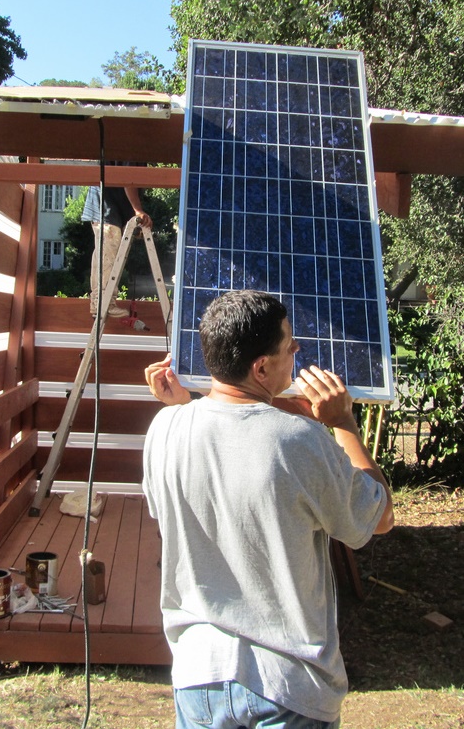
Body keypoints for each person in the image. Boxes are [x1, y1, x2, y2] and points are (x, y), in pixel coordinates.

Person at [142, 289, 394, 729]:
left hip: (198, 679)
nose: (297, 349)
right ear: (261, 367)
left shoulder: (165, 428)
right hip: (288, 688)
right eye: (288, 344)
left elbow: (222, 452)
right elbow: (380, 517)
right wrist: (343, 424)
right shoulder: (299, 441)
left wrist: (182, 407)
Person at [82, 182, 153, 318]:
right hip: (106, 209)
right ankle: (103, 304)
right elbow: (129, 180)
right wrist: (138, 211)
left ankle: (99, 303)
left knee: (104, 255)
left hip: (107, 207)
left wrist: (133, 221)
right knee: (107, 257)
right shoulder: (133, 160)